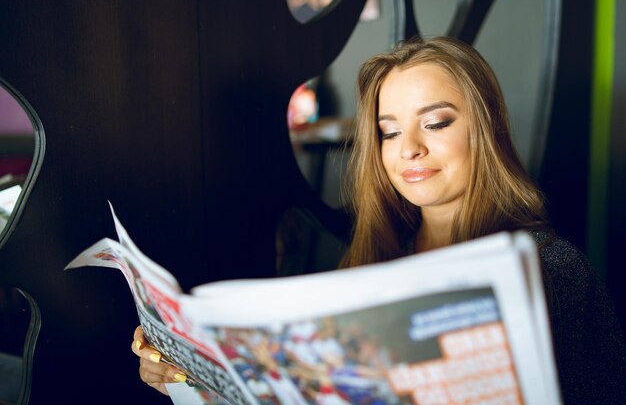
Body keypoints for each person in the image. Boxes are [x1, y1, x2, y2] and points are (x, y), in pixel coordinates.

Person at [131, 36, 626, 404]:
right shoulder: (369, 265)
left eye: (435, 123)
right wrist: (189, 377)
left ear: (487, 129)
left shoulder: (555, 270)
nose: (409, 148)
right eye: (389, 132)